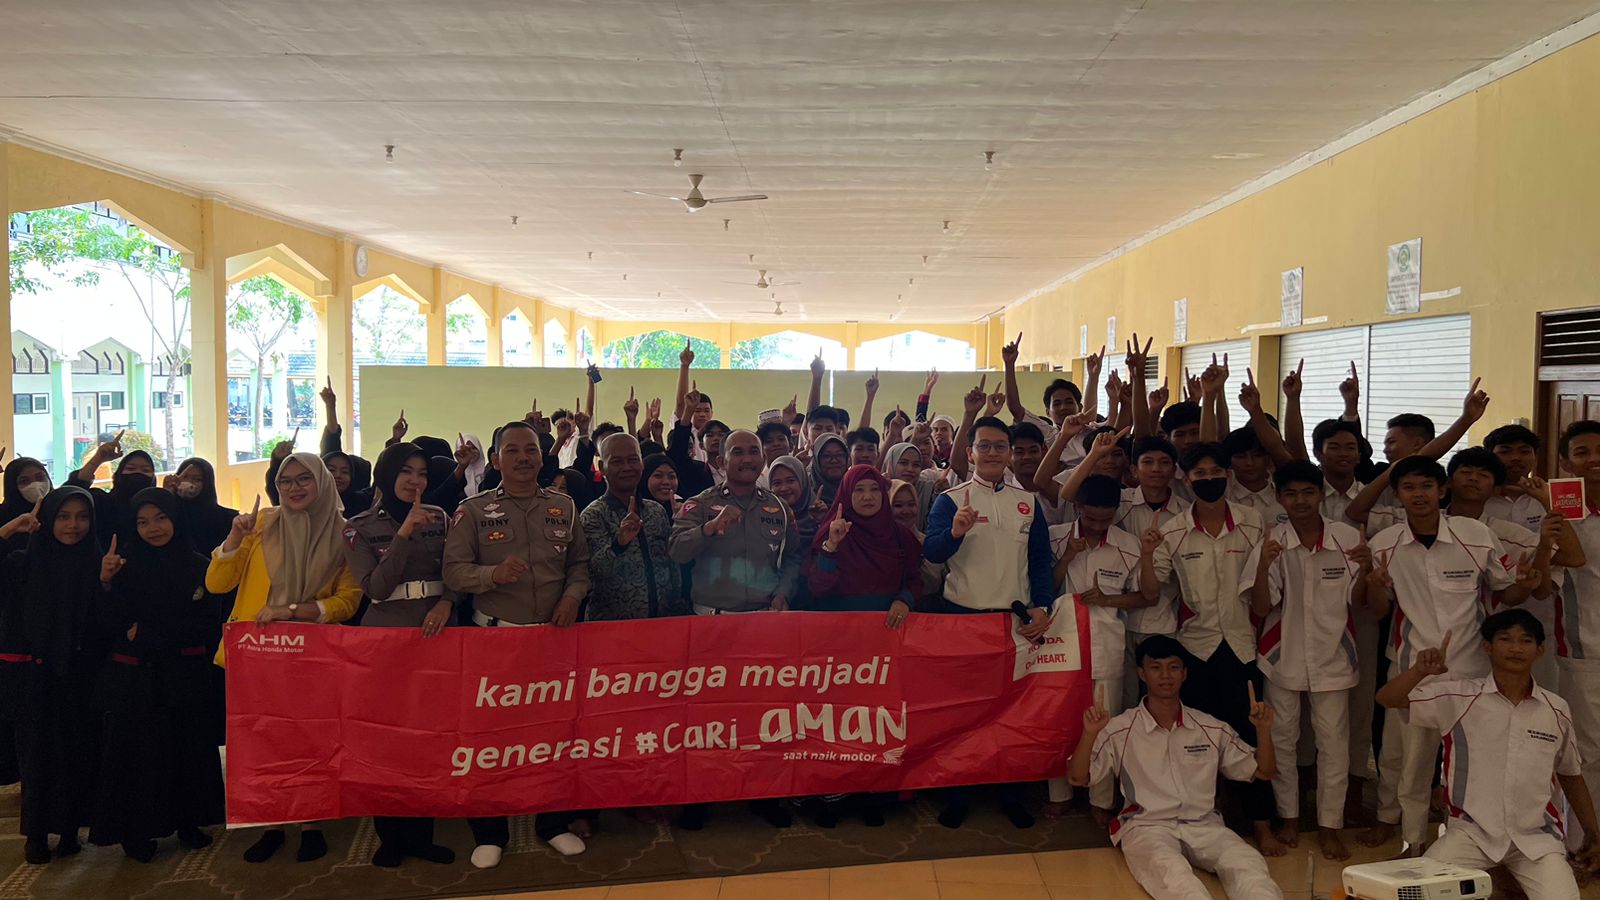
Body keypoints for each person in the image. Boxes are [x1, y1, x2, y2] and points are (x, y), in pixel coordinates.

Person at [1356, 455, 1537, 853]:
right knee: (1407, 758)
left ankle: (1470, 838)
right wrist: (1372, 583)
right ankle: (1410, 838)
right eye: (1409, 488)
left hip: (1471, 665)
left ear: (1442, 491)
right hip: (1412, 666)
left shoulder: (1475, 535)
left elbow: (1506, 594)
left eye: (1426, 486)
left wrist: (1525, 585)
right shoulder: (1384, 544)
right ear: (1397, 495)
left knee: (1472, 757)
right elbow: (1380, 610)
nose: (1418, 495)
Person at [442, 420, 592, 867]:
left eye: (531, 450)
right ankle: (490, 832)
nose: (523, 458)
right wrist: (492, 575)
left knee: (555, 736)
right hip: (494, 641)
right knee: (490, 739)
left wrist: (572, 597)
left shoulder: (564, 506)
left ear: (543, 457)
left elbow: (580, 565)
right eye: (512, 450)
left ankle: (553, 824)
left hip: (551, 640)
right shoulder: (472, 511)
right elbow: (453, 572)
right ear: (496, 459)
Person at [206, 452, 363, 863]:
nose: (294, 488)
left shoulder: (344, 533)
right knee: (263, 740)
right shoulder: (261, 523)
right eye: (285, 481)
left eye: (303, 479)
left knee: (311, 741)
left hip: (311, 653)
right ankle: (270, 821)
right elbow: (218, 583)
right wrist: (233, 539)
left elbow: (348, 599)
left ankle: (312, 823)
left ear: (322, 482)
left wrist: (295, 611)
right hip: (255, 655)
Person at [1378, 609, 1600, 899]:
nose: (1516, 648)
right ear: (1487, 647)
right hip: (1470, 835)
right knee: (1418, 894)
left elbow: (1570, 774)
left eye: (1526, 640)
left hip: (1536, 840)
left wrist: (1593, 833)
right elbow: (1387, 698)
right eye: (1505, 639)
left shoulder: (1556, 709)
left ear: (1540, 650)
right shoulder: (1460, 698)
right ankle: (1499, 879)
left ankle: (1504, 879)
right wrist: (1419, 672)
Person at [1140, 441, 1279, 853]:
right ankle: (1205, 819)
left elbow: (1262, 596)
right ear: (1186, 480)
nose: (1209, 479)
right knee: (1197, 740)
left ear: (1228, 475)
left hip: (1242, 646)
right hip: (1195, 649)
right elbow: (1151, 592)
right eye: (1199, 474)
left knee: (1250, 734)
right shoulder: (1173, 531)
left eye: (1216, 472)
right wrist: (1147, 554)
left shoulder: (1253, 522)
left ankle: (1261, 823)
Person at [1069, 635, 1283, 900]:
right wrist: (1090, 733)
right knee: (1179, 881)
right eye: (1155, 667)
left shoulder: (1210, 727)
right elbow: (1078, 777)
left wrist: (1263, 731)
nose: (1165, 675)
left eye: (1173, 667)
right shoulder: (1119, 728)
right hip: (1147, 827)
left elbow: (1264, 771)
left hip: (1204, 825)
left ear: (1185, 673)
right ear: (1142, 673)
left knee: (1248, 865)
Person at [1239, 461, 1380, 861]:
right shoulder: (1272, 541)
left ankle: (1329, 826)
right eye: (1290, 494)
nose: (1300, 501)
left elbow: (1359, 605)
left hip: (1335, 656)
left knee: (1333, 744)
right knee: (1281, 740)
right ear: (1279, 498)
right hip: (1280, 657)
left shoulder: (1347, 539)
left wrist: (1366, 571)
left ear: (1321, 494)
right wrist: (1264, 566)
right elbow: (1261, 607)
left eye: (1307, 492)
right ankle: (1289, 818)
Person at [923, 414, 1052, 829]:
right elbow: (933, 552)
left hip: (1012, 623)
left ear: (1009, 453)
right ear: (970, 452)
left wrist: (1043, 604)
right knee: (962, 714)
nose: (993, 453)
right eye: (985, 446)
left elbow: (1040, 560)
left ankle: (1010, 794)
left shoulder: (1028, 502)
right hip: (962, 620)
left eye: (1000, 446)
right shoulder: (950, 500)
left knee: (1011, 712)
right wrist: (955, 533)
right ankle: (958, 794)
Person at [668, 429, 801, 830]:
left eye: (753, 451)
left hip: (762, 627)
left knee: (763, 716)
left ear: (762, 459)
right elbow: (676, 551)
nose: (746, 459)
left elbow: (793, 560)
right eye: (737, 452)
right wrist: (709, 529)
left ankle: (763, 794)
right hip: (712, 627)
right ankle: (700, 798)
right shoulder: (700, 504)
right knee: (708, 718)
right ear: (721, 461)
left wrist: (783, 592)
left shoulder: (779, 507)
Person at [343, 442, 459, 868]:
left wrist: (448, 602)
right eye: (406, 472)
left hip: (436, 636)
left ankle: (422, 834)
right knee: (388, 742)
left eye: (422, 473)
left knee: (429, 739)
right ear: (386, 476)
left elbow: (457, 570)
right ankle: (390, 836)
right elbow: (375, 587)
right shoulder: (357, 527)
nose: (415, 481)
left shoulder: (441, 518)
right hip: (386, 640)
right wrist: (404, 533)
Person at [92, 488, 224, 862]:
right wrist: (105, 583)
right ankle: (136, 832)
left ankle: (189, 822)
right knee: (141, 757)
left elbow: (205, 623)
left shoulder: (200, 564)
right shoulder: (121, 565)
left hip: (184, 675)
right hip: (139, 680)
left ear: (175, 518)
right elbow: (111, 625)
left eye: (161, 518)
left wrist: (149, 633)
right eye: (143, 522)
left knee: (187, 751)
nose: (153, 528)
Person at [0, 487, 107, 865]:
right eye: (63, 516)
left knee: (77, 755)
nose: (73, 525)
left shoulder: (98, 562)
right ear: (48, 520)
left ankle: (69, 832)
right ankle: (35, 835)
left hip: (80, 678)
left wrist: (106, 584)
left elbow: (105, 622)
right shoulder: (22, 562)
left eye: (82, 516)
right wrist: (6, 530)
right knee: (37, 758)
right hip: (34, 678)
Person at [1044, 473, 1148, 821]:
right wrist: (1066, 559)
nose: (1098, 526)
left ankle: (1101, 800)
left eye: (1105, 520)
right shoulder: (1055, 537)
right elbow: (1042, 589)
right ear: (1077, 507)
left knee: (1104, 722)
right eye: (1090, 518)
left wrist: (1108, 599)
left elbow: (1144, 596)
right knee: (1059, 721)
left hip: (1106, 644)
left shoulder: (1128, 545)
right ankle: (1059, 794)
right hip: (1060, 646)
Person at [1067, 433, 1188, 709]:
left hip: (1161, 621)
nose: (1156, 469)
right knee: (1122, 700)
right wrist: (1095, 454)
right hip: (1118, 626)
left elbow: (1152, 594)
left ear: (1174, 469)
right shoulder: (1118, 502)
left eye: (1164, 463)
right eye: (1148, 462)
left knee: (1161, 697)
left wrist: (1107, 599)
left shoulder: (1184, 513)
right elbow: (1071, 495)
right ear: (1133, 469)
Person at [582, 434, 684, 621]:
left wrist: (677, 605)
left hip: (663, 622)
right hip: (611, 627)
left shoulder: (656, 511)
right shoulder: (594, 515)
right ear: (602, 467)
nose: (627, 467)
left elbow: (671, 565)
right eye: (617, 462)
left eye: (633, 460)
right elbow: (591, 572)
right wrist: (619, 544)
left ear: (642, 464)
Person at [1555, 420, 1600, 837]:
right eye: (1582, 452)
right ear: (1567, 463)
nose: (1594, 459)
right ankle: (1584, 842)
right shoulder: (1560, 512)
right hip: (1584, 651)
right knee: (1586, 753)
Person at [807, 465, 922, 618]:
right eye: (859, 490)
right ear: (847, 493)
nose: (868, 497)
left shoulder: (900, 536)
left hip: (888, 625)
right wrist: (831, 546)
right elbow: (817, 587)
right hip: (839, 625)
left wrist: (904, 600)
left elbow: (915, 580)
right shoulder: (832, 533)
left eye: (875, 489)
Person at [69, 438, 156, 546]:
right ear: (119, 474)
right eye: (131, 469)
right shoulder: (102, 502)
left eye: (146, 470)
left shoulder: (158, 507)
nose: (138, 473)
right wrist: (97, 460)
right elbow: (71, 494)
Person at [165, 457, 237, 555]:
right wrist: (167, 494)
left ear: (207, 484)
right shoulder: (167, 516)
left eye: (197, 479)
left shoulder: (228, 519)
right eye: (185, 477)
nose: (189, 482)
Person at [1483, 423, 1548, 533]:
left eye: (1524, 452)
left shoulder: (1550, 494)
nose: (1516, 458)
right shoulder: (1477, 496)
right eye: (1505, 452)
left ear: (1536, 458)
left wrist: (1546, 500)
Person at [768, 454, 825, 551]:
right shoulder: (765, 519)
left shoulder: (817, 514)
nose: (784, 488)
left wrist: (823, 522)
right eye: (777, 483)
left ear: (803, 481)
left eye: (790, 481)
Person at [809, 433, 849, 507]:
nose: (834, 461)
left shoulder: (856, 488)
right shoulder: (805, 494)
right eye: (826, 456)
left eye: (839, 455)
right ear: (816, 460)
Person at [637, 453, 680, 519]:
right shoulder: (635, 512)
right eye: (658, 476)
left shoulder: (684, 509)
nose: (666, 482)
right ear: (644, 478)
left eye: (672, 476)